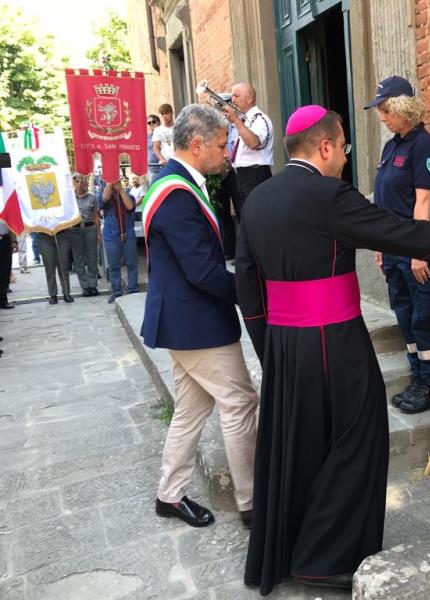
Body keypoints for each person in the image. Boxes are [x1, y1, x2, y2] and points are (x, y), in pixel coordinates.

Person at [236, 105, 430, 595]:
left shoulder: (256, 198)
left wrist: (271, 348)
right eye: (342, 146)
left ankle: (294, 547)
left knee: (302, 443)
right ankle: (324, 559)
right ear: (324, 147)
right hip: (334, 339)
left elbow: (248, 289)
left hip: (284, 343)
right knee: (358, 438)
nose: (345, 156)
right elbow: (404, 232)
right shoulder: (329, 195)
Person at [141, 103, 258, 530]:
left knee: (191, 410)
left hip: (186, 320)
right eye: (222, 145)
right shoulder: (176, 194)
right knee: (241, 402)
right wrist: (254, 294)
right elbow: (204, 271)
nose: (227, 153)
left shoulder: (177, 184)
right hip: (196, 324)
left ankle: (169, 495)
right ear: (196, 144)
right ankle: (253, 501)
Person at [365, 76, 430, 414]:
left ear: (404, 108)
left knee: (423, 316)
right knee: (404, 314)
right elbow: (385, 200)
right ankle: (417, 378)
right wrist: (379, 244)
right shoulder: (392, 146)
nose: (382, 117)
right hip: (392, 247)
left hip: (415, 248)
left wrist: (420, 251)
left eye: (387, 110)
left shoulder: (423, 145)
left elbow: (424, 201)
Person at [225, 82, 273, 206]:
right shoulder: (245, 120)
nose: (232, 100)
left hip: (255, 175)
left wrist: (236, 120)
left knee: (256, 212)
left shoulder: (259, 118)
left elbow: (253, 143)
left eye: (236, 96)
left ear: (249, 99)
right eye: (232, 96)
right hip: (244, 175)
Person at [101, 179, 138, 303]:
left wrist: (121, 191)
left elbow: (130, 206)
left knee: (131, 264)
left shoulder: (129, 196)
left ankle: (133, 290)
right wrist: (110, 182)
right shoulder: (105, 196)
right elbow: (104, 199)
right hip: (111, 235)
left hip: (128, 234)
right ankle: (117, 292)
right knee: (114, 266)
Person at [69, 173, 100, 297]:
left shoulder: (92, 198)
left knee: (92, 258)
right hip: (75, 230)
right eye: (78, 182)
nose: (81, 184)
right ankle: (85, 286)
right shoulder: (70, 199)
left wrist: (98, 233)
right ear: (74, 183)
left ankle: (93, 285)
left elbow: (96, 216)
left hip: (90, 229)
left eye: (83, 182)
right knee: (79, 260)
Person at [38, 227, 73, 304]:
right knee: (49, 268)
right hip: (44, 235)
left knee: (63, 266)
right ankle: (53, 294)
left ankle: (66, 293)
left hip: (61, 233)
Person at [152, 103, 175, 171]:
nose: (164, 116)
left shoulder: (179, 127)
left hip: (178, 164)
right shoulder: (158, 130)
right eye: (162, 114)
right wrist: (162, 159)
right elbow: (155, 148)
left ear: (172, 113)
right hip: (165, 165)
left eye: (166, 113)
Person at [0, 221, 15, 309]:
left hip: (5, 240)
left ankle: (3, 301)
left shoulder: (5, 211)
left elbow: (11, 224)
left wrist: (14, 241)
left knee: (5, 271)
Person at [146, 113, 162, 188]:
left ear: (159, 122)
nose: (151, 124)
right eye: (149, 123)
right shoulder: (147, 137)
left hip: (162, 167)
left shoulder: (163, 134)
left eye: (153, 121)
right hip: (151, 169)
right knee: (153, 189)